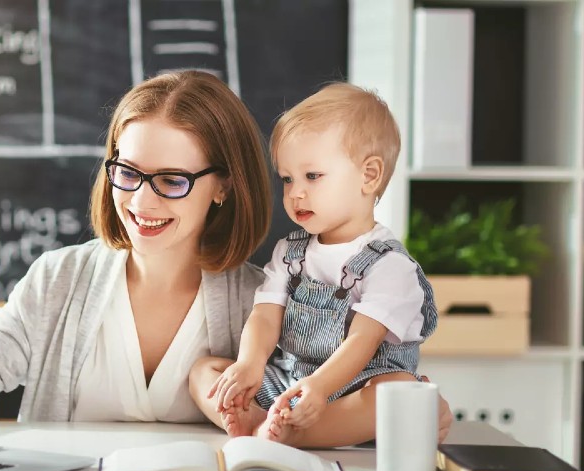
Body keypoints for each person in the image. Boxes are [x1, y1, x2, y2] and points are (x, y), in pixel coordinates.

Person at [0, 70, 272, 438]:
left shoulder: (264, 304)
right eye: (127, 172)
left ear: (224, 185)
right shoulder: (59, 278)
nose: (141, 201)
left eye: (171, 180)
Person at [188, 82, 447, 448]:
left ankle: (296, 434)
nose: (295, 193)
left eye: (313, 176)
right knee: (204, 371)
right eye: (287, 179)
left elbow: (361, 341)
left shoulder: (390, 266)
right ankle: (261, 419)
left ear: (368, 175)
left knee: (399, 390)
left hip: (352, 391)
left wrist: (320, 389)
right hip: (290, 383)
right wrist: (249, 364)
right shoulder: (290, 252)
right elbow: (265, 316)